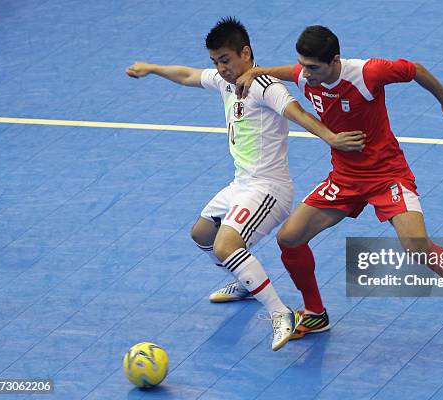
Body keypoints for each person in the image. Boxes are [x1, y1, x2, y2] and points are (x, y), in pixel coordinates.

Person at [228, 25, 443, 340]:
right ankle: (316, 314)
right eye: (302, 65)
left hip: (387, 176)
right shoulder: (307, 73)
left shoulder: (368, 73)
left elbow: (414, 69)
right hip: (344, 179)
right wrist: (258, 71)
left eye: (313, 67)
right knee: (289, 238)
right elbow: (290, 71)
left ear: (335, 60)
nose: (305, 73)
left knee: (416, 245)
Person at [125, 18, 364, 351]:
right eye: (215, 62)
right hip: (241, 183)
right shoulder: (226, 81)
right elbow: (188, 75)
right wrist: (151, 68)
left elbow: (298, 113)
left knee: (226, 246)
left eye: (225, 59)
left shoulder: (265, 86)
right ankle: (246, 282)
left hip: (269, 189)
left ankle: (282, 314)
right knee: (202, 234)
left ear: (245, 53)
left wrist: (331, 138)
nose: (220, 68)